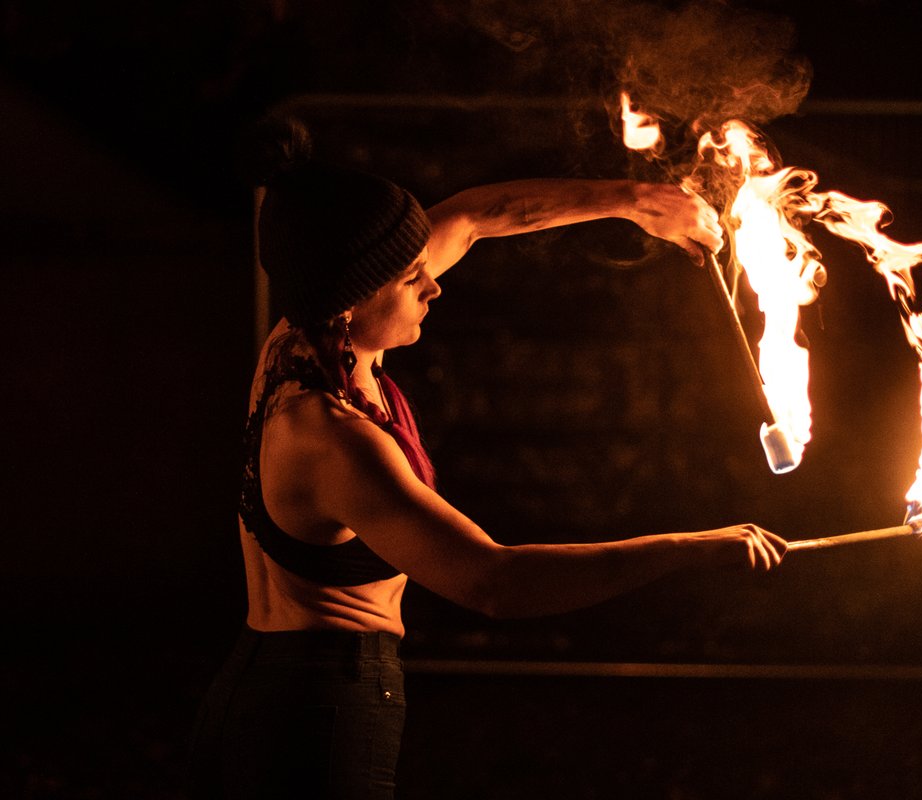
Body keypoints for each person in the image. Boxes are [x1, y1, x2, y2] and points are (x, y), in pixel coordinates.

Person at [187, 119, 788, 799]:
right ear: (350, 302)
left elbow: (477, 216)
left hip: (282, 689)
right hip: (313, 718)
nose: (434, 286)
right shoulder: (331, 437)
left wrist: (634, 199)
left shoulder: (305, 333)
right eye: (413, 279)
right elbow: (494, 581)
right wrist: (692, 546)